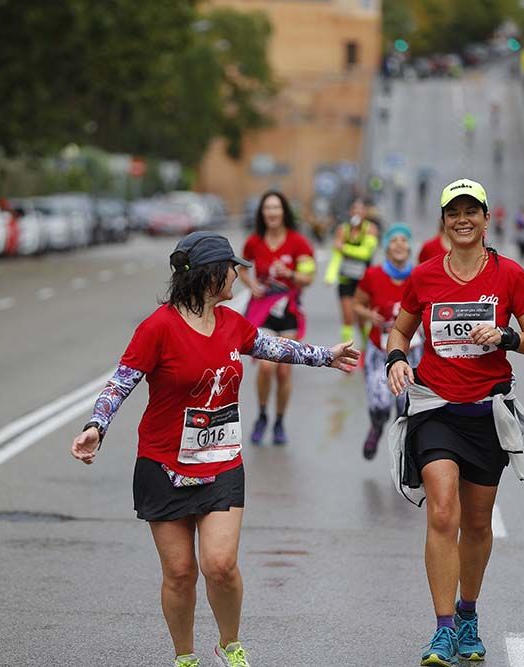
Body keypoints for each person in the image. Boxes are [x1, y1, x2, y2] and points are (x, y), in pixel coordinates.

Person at [71, 231, 359, 667]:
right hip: (163, 464)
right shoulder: (158, 328)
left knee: (220, 565)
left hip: (222, 461)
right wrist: (97, 426)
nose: (239, 276)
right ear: (211, 275)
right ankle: (185, 656)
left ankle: (230, 643)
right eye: (233, 268)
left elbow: (273, 346)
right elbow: (120, 382)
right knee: (180, 573)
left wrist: (325, 355)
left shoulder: (231, 323)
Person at [384, 179, 524, 666]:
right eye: (453, 212)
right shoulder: (426, 276)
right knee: (442, 511)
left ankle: (469, 615)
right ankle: (442, 630)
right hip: (435, 408)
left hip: (486, 414)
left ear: (484, 219)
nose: (462, 219)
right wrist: (396, 358)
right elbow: (400, 327)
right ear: (443, 222)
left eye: (470, 211)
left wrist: (506, 336)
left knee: (477, 523)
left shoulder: (509, 275)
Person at [239, 191, 317, 445]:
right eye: (267, 208)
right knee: (265, 365)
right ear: (262, 213)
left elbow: (309, 277)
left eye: (276, 207)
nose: (272, 212)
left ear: (284, 211)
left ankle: (279, 421)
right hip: (263, 311)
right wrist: (252, 286)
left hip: (288, 312)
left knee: (284, 371)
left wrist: (291, 274)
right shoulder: (254, 242)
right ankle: (262, 415)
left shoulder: (298, 243)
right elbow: (240, 267)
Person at [353, 223, 422, 459]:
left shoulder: (420, 276)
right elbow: (357, 305)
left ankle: (403, 450)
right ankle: (377, 426)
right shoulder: (373, 275)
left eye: (404, 240)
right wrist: (368, 315)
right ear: (386, 247)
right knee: (380, 404)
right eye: (394, 240)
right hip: (379, 349)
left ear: (410, 247)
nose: (399, 245)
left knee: (406, 405)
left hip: (410, 350)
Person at [325, 199, 379, 344]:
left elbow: (365, 253)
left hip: (363, 280)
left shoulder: (370, 229)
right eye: (354, 209)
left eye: (361, 210)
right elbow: (336, 254)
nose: (357, 212)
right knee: (348, 316)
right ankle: (347, 350)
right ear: (350, 212)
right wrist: (330, 275)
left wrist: (345, 248)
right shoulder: (343, 230)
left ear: (365, 213)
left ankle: (366, 346)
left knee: (363, 318)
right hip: (346, 279)